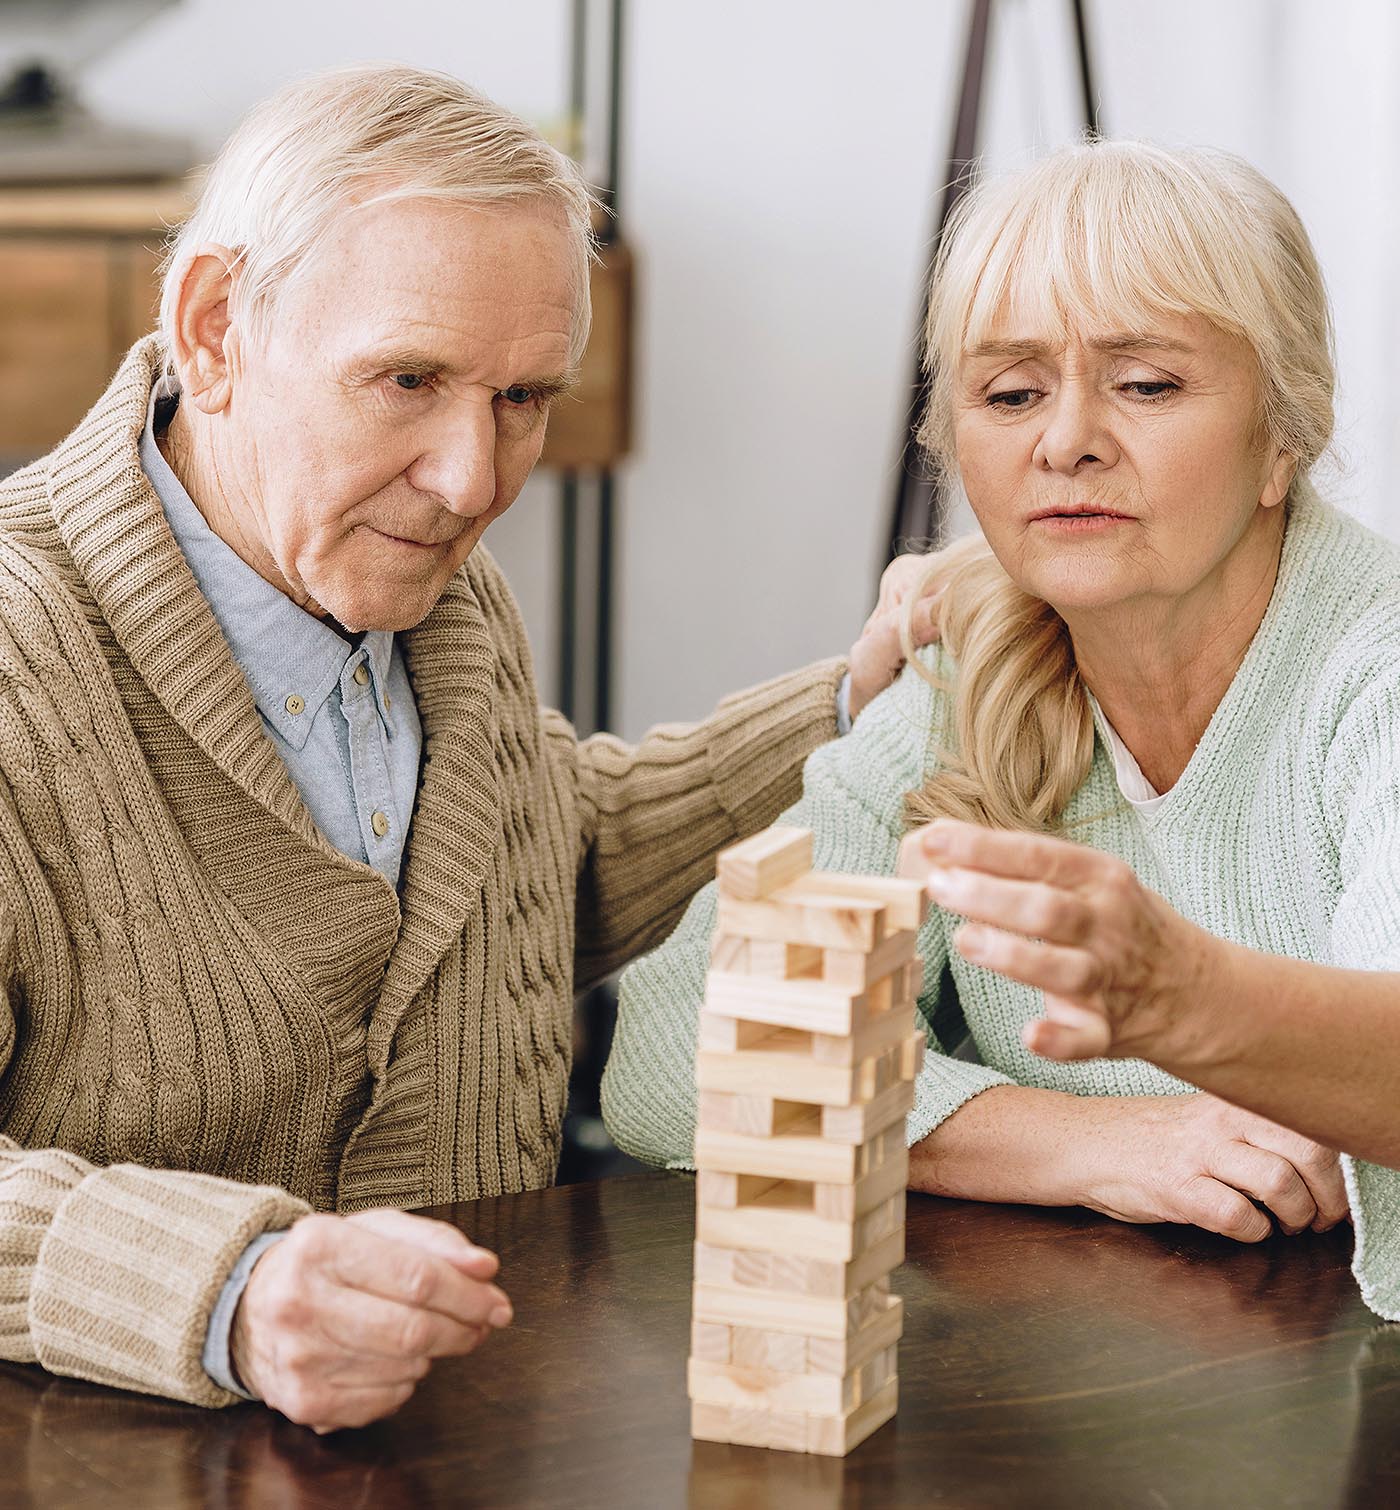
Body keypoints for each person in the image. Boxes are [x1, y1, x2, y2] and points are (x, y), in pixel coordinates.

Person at [0, 64, 929, 1430]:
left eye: (523, 400)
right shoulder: (21, 657)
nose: (472, 482)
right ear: (215, 330)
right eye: (409, 378)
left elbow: (540, 864)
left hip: (486, 1439)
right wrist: (232, 1292)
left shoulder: (442, 593)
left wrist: (847, 698)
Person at [604, 137, 1400, 1322]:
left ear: (1280, 434)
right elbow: (682, 1046)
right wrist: (1090, 1144)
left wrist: (1184, 996)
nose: (1063, 440)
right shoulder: (967, 668)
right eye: (1010, 392)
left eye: (1145, 384)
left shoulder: (1372, 671)